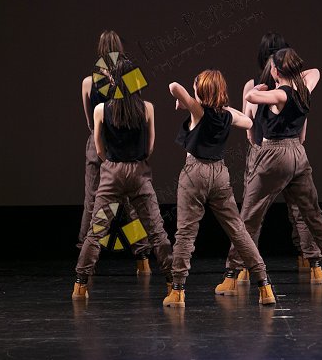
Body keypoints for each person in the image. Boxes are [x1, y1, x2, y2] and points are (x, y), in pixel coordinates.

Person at [219, 47, 322, 295]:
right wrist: (292, 73)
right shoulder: (305, 88)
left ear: (276, 71)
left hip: (274, 155)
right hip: (298, 153)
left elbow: (251, 98)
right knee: (314, 216)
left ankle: (232, 274)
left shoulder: (280, 94)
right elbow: (315, 71)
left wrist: (259, 88)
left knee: (249, 217)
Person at [164, 70, 276, 307]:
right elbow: (248, 122)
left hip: (194, 173)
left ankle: (178, 291)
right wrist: (221, 106)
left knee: (185, 233)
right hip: (220, 174)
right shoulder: (226, 115)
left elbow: (174, 86)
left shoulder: (198, 111)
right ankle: (264, 285)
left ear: (201, 91)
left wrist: (187, 101)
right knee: (238, 230)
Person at [72, 58, 173, 300]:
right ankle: (174, 285)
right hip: (139, 173)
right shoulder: (147, 108)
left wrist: (112, 164)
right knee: (157, 231)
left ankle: (80, 285)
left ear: (114, 80)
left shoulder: (101, 109)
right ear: (135, 79)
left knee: (97, 231)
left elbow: (99, 149)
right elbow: (149, 147)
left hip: (111, 174)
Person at [239, 32, 322, 284]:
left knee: (251, 213)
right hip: (293, 150)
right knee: (303, 210)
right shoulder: (297, 86)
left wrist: (257, 147)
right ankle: (314, 263)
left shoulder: (253, 85)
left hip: (262, 151)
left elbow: (248, 124)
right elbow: (303, 122)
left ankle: (244, 267)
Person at [78, 30, 152, 275]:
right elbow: (138, 111)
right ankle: (142, 257)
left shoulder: (89, 81)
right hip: (125, 143)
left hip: (99, 142)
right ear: (120, 48)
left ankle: (86, 260)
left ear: (99, 50)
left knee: (93, 202)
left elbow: (90, 121)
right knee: (130, 203)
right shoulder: (132, 76)